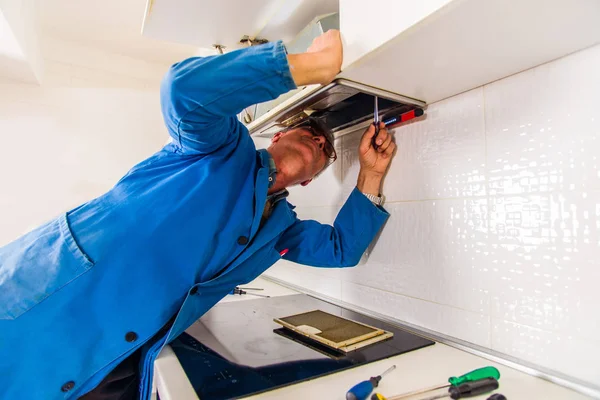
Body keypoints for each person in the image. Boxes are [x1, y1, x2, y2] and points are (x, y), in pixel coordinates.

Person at [0, 29, 396, 399]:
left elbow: (340, 249)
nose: (318, 139)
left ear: (309, 181)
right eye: (309, 129)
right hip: (38, 313)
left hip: (118, 365)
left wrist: (371, 172)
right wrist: (310, 66)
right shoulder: (218, 147)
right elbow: (183, 91)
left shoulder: (279, 231)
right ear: (276, 136)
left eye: (326, 150)